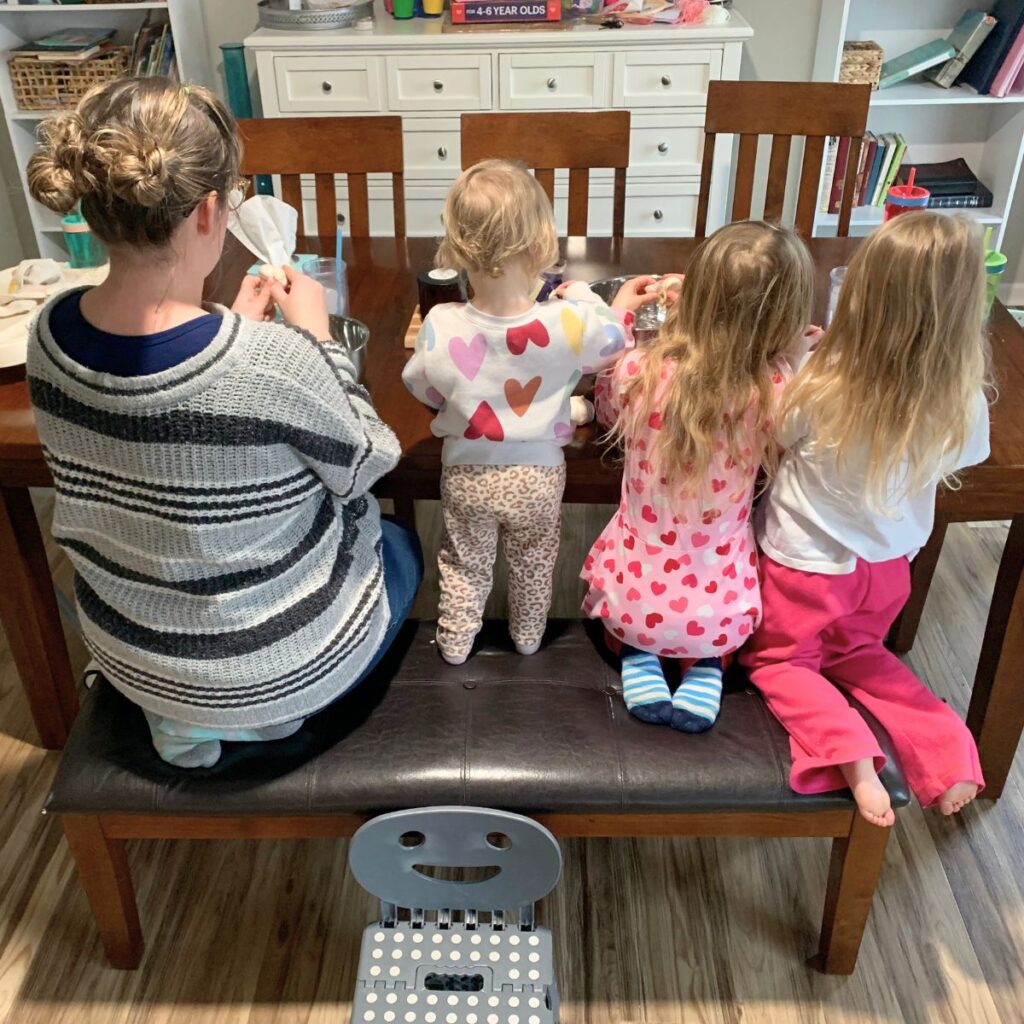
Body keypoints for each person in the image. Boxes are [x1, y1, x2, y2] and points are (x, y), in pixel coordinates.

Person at [26, 77, 420, 768]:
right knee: (398, 546)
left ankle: (178, 718)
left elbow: (167, 420)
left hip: (137, 656)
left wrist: (234, 330)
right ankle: (268, 716)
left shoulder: (47, 335)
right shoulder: (272, 363)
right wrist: (317, 344)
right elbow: (366, 463)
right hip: (275, 666)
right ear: (210, 211)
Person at [741, 213, 991, 826]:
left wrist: (796, 359)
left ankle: (849, 753)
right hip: (884, 572)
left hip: (806, 570)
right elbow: (970, 454)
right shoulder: (960, 398)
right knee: (864, 657)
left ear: (861, 294)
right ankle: (948, 751)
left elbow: (771, 438)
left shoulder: (820, 382)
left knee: (779, 662)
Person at [402, 159, 652, 664]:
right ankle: (528, 636)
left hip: (467, 474)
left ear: (455, 248)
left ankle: (454, 642)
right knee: (534, 562)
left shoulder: (441, 323)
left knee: (464, 563)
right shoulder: (566, 320)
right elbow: (614, 345)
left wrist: (465, 402)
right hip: (538, 476)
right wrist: (587, 297)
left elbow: (423, 387)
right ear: (541, 244)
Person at [581, 221, 818, 733]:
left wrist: (618, 309)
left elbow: (604, 408)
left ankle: (640, 655)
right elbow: (785, 431)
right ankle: (705, 666)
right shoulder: (776, 388)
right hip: (720, 615)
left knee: (639, 615)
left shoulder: (639, 370)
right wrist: (794, 358)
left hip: (632, 604)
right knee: (710, 631)